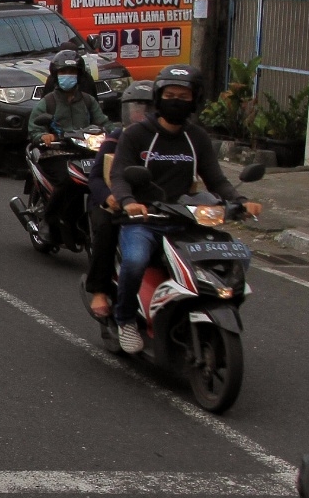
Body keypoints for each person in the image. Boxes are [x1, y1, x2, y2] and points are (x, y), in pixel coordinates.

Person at [107, 65, 261, 352]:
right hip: (145, 218)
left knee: (239, 256)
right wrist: (129, 202)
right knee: (135, 261)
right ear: (158, 97)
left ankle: (206, 305)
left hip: (186, 218)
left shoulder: (197, 137)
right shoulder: (138, 134)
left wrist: (239, 202)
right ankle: (125, 319)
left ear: (195, 100)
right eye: (170, 94)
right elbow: (118, 175)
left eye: (184, 95)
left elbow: (216, 179)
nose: (177, 100)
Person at [85, 82, 152, 319]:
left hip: (149, 204)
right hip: (111, 204)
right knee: (106, 228)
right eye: (135, 108)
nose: (139, 114)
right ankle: (99, 290)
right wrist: (108, 197)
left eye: (146, 108)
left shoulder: (160, 142)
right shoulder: (116, 138)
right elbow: (94, 177)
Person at [29, 49, 109, 247]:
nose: (67, 76)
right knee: (67, 181)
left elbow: (104, 123)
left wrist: (119, 133)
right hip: (56, 152)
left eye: (71, 72)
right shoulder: (48, 102)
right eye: (63, 72)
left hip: (86, 152)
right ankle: (48, 220)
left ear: (80, 75)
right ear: (56, 75)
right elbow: (34, 127)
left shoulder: (89, 101)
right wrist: (43, 136)